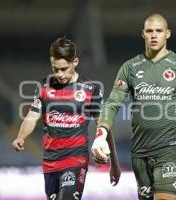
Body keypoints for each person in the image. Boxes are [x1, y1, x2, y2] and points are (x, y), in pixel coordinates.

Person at [91, 14, 176, 200]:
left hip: (169, 149)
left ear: (167, 34)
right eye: (149, 31)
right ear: (143, 34)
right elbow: (113, 102)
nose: (154, 35)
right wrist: (100, 134)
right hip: (139, 151)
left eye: (159, 31)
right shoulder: (129, 68)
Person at [12, 37, 121, 200]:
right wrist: (20, 137)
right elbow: (32, 116)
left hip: (76, 158)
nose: (59, 74)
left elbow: (104, 126)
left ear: (75, 62)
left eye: (63, 69)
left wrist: (114, 163)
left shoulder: (90, 89)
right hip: (50, 162)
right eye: (55, 69)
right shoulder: (44, 86)